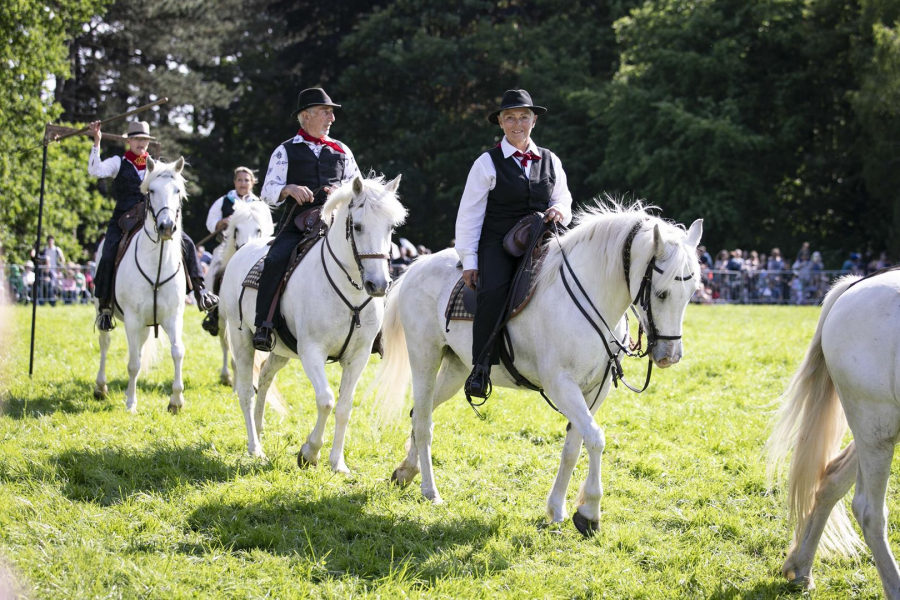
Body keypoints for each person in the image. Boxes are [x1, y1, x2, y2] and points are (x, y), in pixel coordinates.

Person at [455, 89, 573, 398]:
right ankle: (480, 368)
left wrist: (560, 209)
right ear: (501, 123)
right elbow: (469, 215)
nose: (517, 124)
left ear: (534, 121)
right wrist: (469, 259)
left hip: (544, 238)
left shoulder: (551, 160)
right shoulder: (486, 163)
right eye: (510, 118)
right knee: (493, 291)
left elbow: (564, 199)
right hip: (498, 242)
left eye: (523, 117)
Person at [253, 88, 360, 351]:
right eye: (326, 112)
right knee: (275, 259)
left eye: (331, 113)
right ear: (306, 115)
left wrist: (342, 193)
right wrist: (287, 189)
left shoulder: (342, 150)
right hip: (298, 223)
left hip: (338, 222)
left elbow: (358, 187)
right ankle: (263, 326)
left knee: (370, 255)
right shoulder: (285, 150)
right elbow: (267, 192)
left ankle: (374, 330)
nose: (331, 118)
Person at [87, 120, 217, 331]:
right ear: (128, 140)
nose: (141, 143)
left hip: (153, 217)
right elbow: (95, 171)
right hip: (124, 219)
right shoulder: (118, 162)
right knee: (108, 252)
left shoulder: (158, 166)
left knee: (188, 243)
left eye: (145, 139)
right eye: (137, 139)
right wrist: (97, 142)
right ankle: (105, 308)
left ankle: (201, 291)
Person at [205, 166, 261, 238]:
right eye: (239, 180)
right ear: (235, 182)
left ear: (252, 182)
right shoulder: (223, 201)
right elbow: (210, 223)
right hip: (226, 245)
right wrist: (222, 222)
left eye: (246, 180)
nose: (243, 183)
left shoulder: (259, 204)